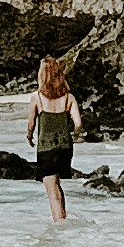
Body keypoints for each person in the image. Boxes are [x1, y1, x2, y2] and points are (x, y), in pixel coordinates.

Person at [26, 54, 84, 221]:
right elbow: (78, 123)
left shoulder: (37, 97)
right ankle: (63, 217)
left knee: (51, 188)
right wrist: (75, 134)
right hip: (65, 146)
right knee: (57, 185)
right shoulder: (69, 98)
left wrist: (29, 137)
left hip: (47, 147)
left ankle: (59, 223)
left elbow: (31, 124)